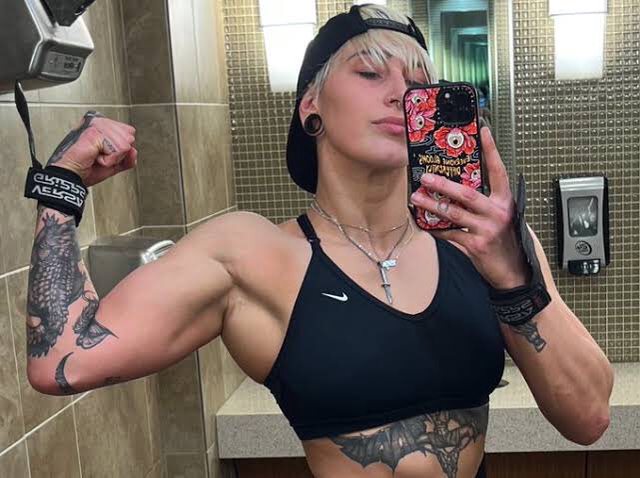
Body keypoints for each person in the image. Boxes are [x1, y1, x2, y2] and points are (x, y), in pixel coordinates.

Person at [24, 4, 613, 478]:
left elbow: (588, 418)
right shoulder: (254, 255)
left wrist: (512, 276)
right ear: (311, 105)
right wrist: (62, 185)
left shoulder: (485, 243)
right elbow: (61, 360)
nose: (399, 94)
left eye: (418, 84)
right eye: (370, 72)